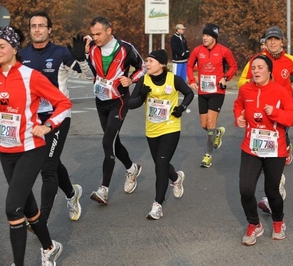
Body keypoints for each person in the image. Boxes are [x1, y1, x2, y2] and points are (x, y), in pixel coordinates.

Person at [0, 26, 72, 265]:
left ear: (14, 48)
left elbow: (64, 104)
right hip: (6, 151)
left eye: (1, 46)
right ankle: (50, 248)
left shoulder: (31, 76)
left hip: (31, 148)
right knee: (28, 206)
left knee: (13, 209)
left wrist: (48, 125)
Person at [19, 11, 93, 223]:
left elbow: (89, 76)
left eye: (42, 26)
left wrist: (82, 58)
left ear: (49, 29)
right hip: (33, 120)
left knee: (47, 167)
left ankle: (41, 220)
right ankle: (71, 194)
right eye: (33, 26)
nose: (37, 29)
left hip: (58, 116)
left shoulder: (61, 53)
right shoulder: (22, 56)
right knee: (52, 161)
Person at [233, 55, 293, 246]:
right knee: (245, 190)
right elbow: (238, 105)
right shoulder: (245, 90)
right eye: (253, 67)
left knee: (272, 191)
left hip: (275, 148)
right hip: (251, 146)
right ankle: (254, 224)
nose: (255, 71)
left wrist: (276, 113)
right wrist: (239, 117)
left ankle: (278, 221)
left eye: (260, 67)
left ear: (269, 71)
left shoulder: (280, 91)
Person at [238, 26, 293, 213]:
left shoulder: (290, 60)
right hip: (260, 111)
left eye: (276, 39)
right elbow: (242, 80)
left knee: (275, 145)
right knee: (263, 150)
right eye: (270, 40)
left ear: (282, 41)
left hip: (282, 111)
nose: (273, 42)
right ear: (265, 42)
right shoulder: (256, 61)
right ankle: (276, 182)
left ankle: (273, 189)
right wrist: (254, 83)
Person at [85, 16, 146, 204]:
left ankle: (103, 189)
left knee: (107, 142)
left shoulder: (125, 48)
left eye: (98, 33)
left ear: (109, 31)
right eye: (93, 34)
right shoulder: (93, 49)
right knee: (113, 142)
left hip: (118, 101)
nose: (95, 37)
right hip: (100, 100)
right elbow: (91, 73)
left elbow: (142, 66)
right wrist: (84, 56)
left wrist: (132, 80)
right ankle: (131, 168)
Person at [128, 49, 194, 219]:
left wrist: (181, 108)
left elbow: (189, 93)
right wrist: (142, 95)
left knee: (160, 165)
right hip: (152, 130)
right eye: (147, 61)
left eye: (150, 61)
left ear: (162, 64)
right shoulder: (144, 80)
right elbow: (131, 104)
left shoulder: (174, 80)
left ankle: (157, 205)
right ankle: (176, 178)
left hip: (171, 128)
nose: (147, 64)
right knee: (161, 163)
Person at [187, 23, 238, 167]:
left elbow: (233, 66)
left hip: (217, 91)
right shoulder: (197, 51)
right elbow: (189, 65)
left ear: (214, 37)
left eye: (208, 35)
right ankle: (217, 133)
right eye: (204, 35)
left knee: (210, 122)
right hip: (203, 92)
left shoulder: (224, 51)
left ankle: (208, 155)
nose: (205, 38)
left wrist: (226, 78)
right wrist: (191, 80)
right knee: (205, 125)